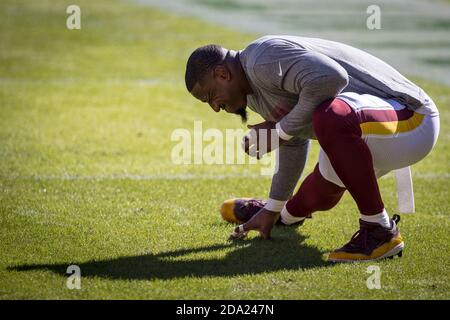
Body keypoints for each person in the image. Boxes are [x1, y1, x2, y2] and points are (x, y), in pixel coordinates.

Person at [184, 35, 440, 262]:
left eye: (210, 97)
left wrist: (279, 131)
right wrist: (273, 207)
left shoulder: (260, 59)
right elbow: (294, 140)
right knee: (315, 196)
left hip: (410, 117)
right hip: (368, 134)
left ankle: (379, 231)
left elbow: (332, 79)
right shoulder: (253, 94)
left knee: (331, 117)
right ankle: (283, 216)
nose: (215, 108)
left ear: (222, 74)